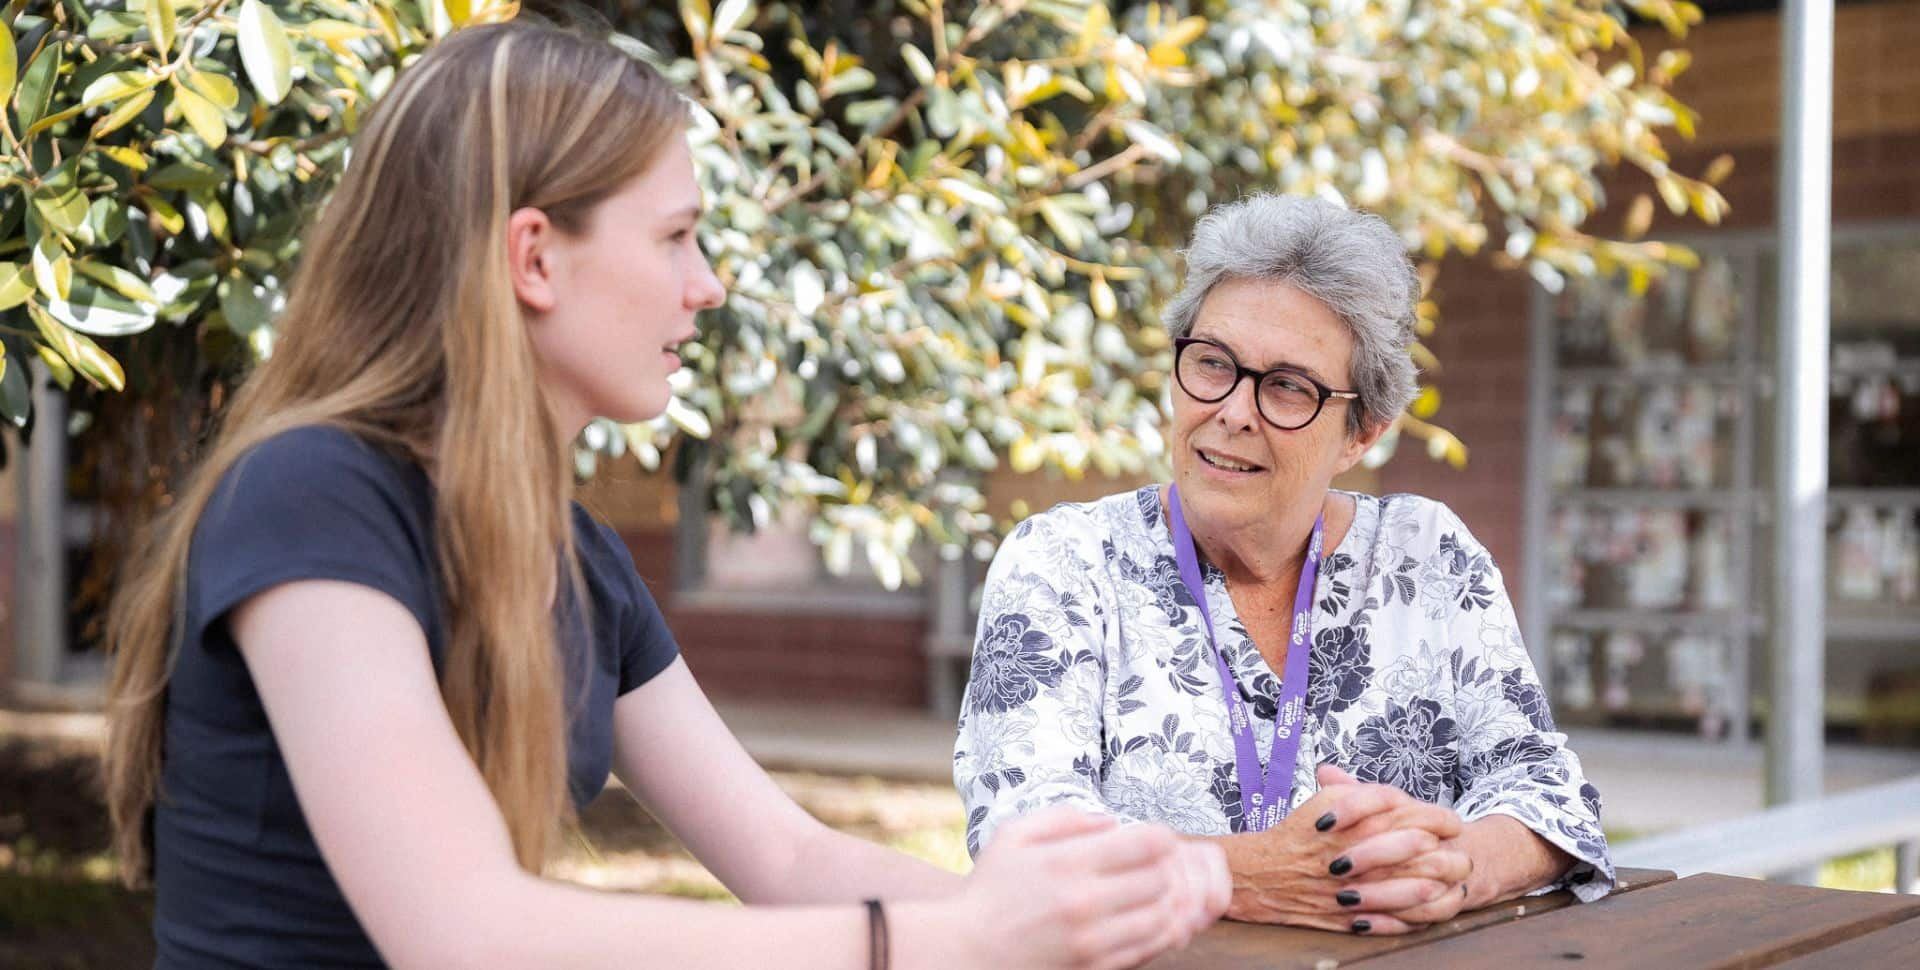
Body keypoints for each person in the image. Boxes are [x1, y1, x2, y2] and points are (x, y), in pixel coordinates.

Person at [103, 21, 1228, 970]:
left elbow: (787, 860)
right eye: (678, 236)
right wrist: (945, 942)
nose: (711, 284)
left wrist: (1110, 903)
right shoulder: (312, 497)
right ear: (534, 258)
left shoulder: (577, 558)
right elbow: (460, 929)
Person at [954, 193, 1612, 937]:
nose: (1234, 410)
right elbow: (1025, 842)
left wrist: (1454, 867)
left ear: (1361, 431)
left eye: (1288, 387)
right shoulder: (1064, 564)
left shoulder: (1427, 556)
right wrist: (1254, 875)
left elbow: (1545, 790)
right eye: (1212, 364)